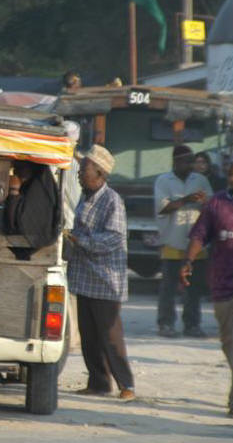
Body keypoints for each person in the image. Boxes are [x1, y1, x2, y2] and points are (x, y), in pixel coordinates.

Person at [180, 152, 233, 418]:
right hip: (222, 283)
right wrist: (188, 260)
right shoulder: (216, 204)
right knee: (227, 342)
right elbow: (199, 235)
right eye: (230, 174)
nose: (232, 179)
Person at [66, 145, 135, 401]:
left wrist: (80, 240)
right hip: (85, 277)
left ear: (100, 173)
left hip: (106, 280)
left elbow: (114, 239)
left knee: (111, 337)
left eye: (84, 170)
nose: (80, 174)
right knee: (89, 336)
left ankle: (126, 385)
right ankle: (99, 382)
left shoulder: (111, 200)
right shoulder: (86, 196)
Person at [154, 145, 212, 338]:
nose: (191, 165)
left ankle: (192, 324)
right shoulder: (163, 181)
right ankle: (166, 323)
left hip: (196, 245)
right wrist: (186, 199)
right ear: (176, 161)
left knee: (194, 288)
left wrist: (204, 202)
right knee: (169, 287)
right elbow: (163, 208)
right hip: (173, 241)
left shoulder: (201, 180)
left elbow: (213, 207)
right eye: (187, 161)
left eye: (192, 161)